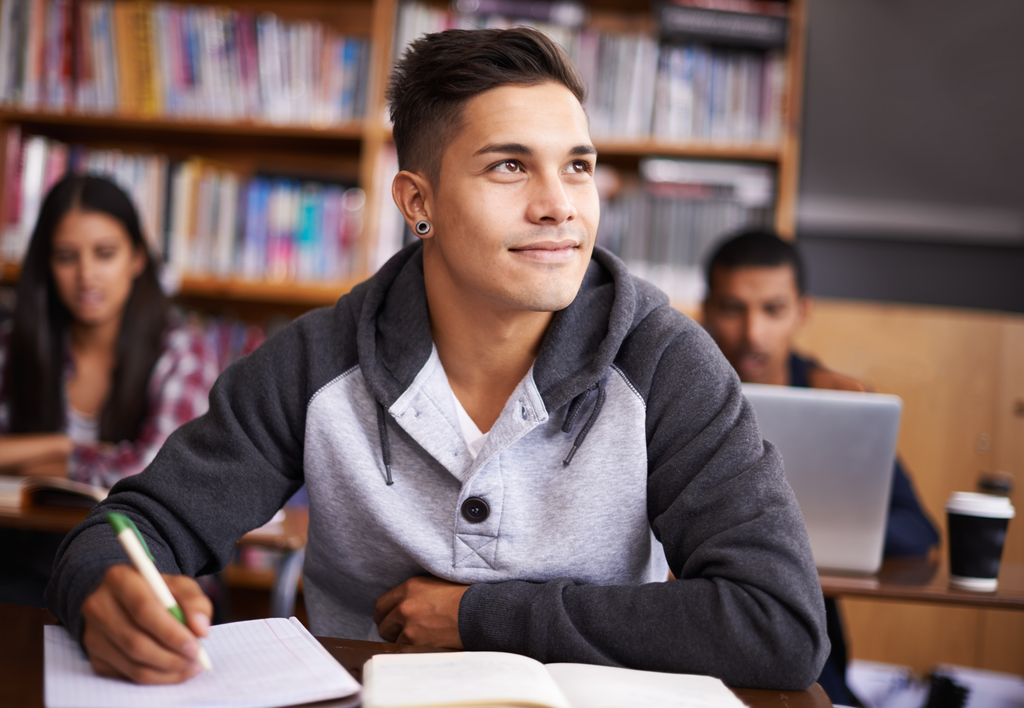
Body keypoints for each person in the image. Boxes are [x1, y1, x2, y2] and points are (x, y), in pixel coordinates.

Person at [46, 28, 829, 689]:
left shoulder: (663, 361)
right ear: (417, 202)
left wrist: (480, 617)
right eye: (510, 166)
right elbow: (135, 523)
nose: (560, 204)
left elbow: (779, 623)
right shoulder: (318, 358)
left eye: (579, 166)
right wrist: (102, 584)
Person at [701, 229, 939, 705]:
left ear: (802, 311)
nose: (753, 333)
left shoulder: (839, 402)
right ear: (706, 310)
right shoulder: (676, 396)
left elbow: (919, 531)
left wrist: (789, 531)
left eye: (773, 309)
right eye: (733, 308)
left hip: (806, 648)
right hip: (695, 629)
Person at [0, 174, 218, 605]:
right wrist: (62, 446)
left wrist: (58, 454)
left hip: (148, 575)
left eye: (105, 253)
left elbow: (155, 474)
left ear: (137, 257)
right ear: (46, 264)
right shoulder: (14, 345)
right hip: (28, 567)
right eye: (66, 257)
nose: (86, 276)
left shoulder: (181, 351)